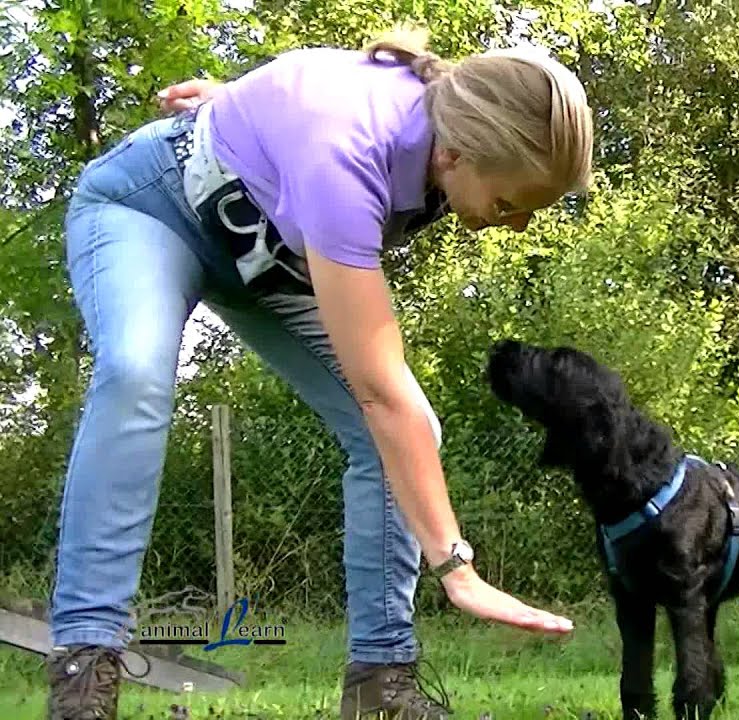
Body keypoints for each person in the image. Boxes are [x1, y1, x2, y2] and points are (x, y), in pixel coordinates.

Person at [46, 27, 593, 719]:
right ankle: (83, 675)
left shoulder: (433, 131)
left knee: (408, 433)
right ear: (455, 151)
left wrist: (240, 119)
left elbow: (301, 104)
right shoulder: (347, 153)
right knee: (136, 375)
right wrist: (458, 569)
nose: (512, 227)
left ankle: (381, 688)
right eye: (512, 205)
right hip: (148, 209)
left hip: (265, 268)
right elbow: (377, 388)